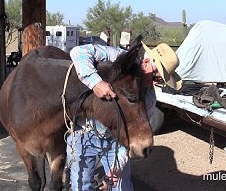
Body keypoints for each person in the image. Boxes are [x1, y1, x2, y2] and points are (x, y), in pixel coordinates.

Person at [67, 40, 182, 191]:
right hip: (84, 134)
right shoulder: (118, 58)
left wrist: (116, 168)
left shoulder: (149, 98)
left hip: (114, 143)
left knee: (121, 187)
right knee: (80, 186)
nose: (155, 83)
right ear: (146, 63)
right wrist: (96, 83)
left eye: (160, 81)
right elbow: (78, 52)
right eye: (155, 76)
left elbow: (135, 135)